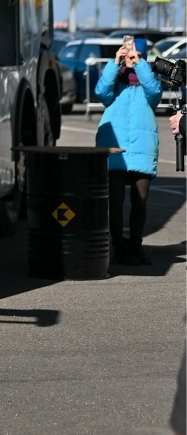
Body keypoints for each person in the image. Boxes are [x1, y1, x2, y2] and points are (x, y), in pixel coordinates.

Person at [95, 35, 160, 265]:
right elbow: (101, 93)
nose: (132, 60)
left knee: (139, 201)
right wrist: (115, 63)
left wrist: (140, 65)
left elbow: (155, 94)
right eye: (130, 55)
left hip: (142, 149)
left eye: (137, 55)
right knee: (115, 200)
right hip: (115, 149)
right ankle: (118, 246)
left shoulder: (148, 81)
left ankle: (135, 245)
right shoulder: (114, 81)